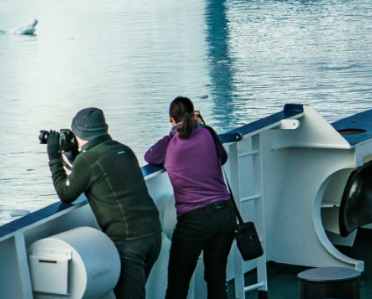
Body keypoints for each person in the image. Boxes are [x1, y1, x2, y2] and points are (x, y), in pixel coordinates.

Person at [47, 107, 162, 299]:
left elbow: (66, 193)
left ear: (79, 133)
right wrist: (75, 157)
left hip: (129, 243)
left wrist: (53, 159)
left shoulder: (88, 159)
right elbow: (101, 170)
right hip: (152, 235)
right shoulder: (123, 150)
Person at [144, 97, 236, 299]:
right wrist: (202, 125)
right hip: (224, 214)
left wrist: (172, 133)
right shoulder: (208, 133)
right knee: (216, 278)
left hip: (194, 220)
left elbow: (149, 157)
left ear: (171, 119)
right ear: (194, 114)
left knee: (178, 282)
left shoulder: (169, 143)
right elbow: (222, 158)